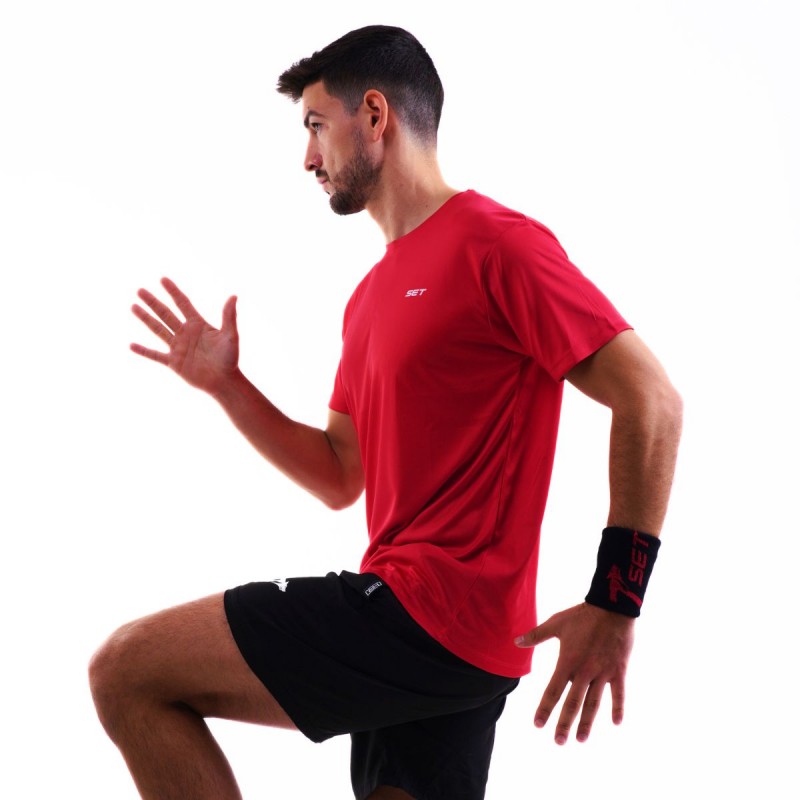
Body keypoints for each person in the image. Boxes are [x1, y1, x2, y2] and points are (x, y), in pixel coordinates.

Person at [89, 25, 682, 800]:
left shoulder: (498, 245)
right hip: (443, 641)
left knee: (128, 670)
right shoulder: (369, 298)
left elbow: (651, 398)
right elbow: (341, 475)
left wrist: (617, 598)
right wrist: (228, 386)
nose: (308, 158)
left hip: (430, 615)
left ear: (374, 114)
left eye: (315, 125)